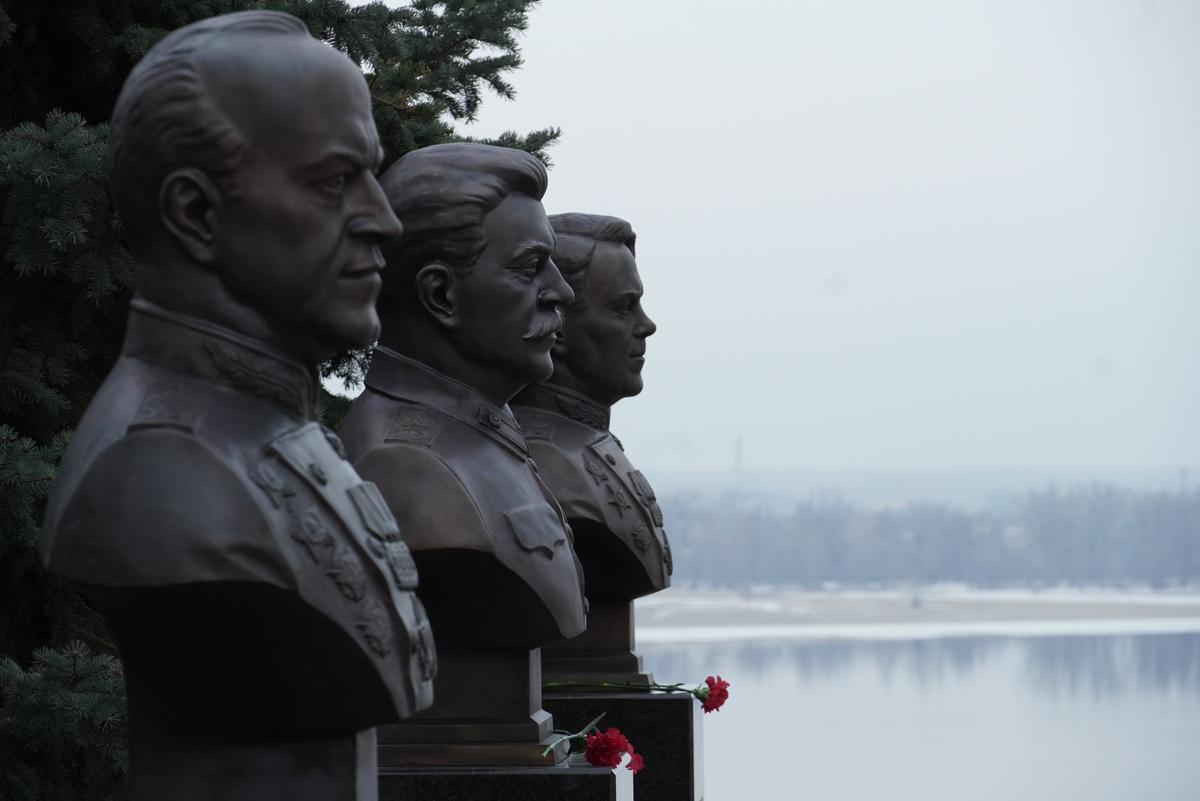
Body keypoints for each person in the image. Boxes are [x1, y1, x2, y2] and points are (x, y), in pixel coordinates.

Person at [40, 12, 434, 800]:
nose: (383, 220)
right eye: (333, 181)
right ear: (197, 213)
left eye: (373, 177)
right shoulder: (156, 471)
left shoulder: (274, 428)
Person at [338, 142, 587, 766]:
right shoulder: (401, 466)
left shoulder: (482, 438)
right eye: (531, 267)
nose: (561, 293)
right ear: (441, 294)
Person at [512, 213, 672, 685]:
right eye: (624, 308)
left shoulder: (590, 446)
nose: (647, 326)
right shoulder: (540, 465)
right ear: (557, 327)